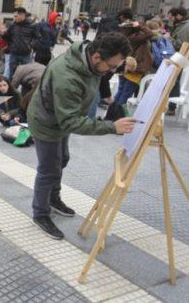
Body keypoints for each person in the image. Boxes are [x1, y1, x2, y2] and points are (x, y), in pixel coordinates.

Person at [27, 32, 137, 240]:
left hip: (61, 117)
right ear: (97, 57)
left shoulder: (89, 57)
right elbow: (70, 121)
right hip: (47, 123)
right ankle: (40, 213)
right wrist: (111, 127)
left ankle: (53, 198)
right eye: (112, 66)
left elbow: (99, 78)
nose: (112, 71)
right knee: (49, 169)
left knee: (62, 159)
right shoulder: (67, 76)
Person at [166, 6, 189, 114]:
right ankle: (171, 106)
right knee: (173, 80)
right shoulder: (183, 24)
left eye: (171, 17)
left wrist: (168, 39)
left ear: (179, 16)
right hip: (177, 56)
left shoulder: (188, 27)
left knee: (174, 81)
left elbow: (182, 45)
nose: (170, 19)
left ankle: (172, 107)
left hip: (179, 57)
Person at [114, 21, 153, 105]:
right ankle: (119, 113)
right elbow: (150, 34)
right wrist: (140, 26)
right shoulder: (136, 38)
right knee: (126, 93)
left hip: (125, 65)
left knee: (121, 91)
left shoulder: (123, 37)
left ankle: (112, 111)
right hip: (135, 68)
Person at [1, 7, 39, 79]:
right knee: (12, 74)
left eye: (16, 16)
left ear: (22, 15)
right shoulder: (13, 25)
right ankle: (12, 88)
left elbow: (37, 38)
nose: (14, 18)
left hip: (26, 54)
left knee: (26, 74)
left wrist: (30, 45)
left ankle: (25, 89)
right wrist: (2, 34)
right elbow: (7, 36)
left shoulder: (32, 25)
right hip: (14, 53)